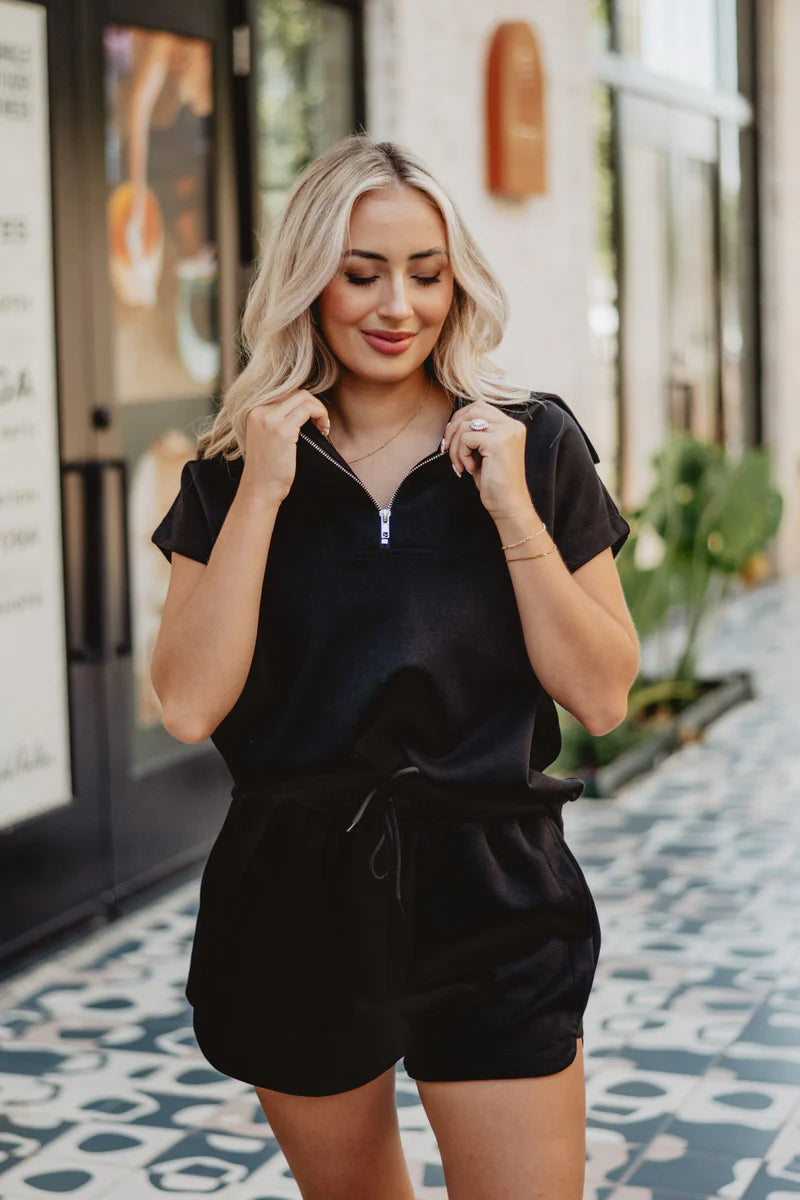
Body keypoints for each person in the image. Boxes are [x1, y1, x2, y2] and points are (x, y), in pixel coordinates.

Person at [149, 133, 639, 1200]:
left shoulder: (531, 444)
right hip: (293, 894)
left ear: (455, 282)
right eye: (361, 273)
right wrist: (265, 491)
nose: (396, 306)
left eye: (425, 273)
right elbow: (187, 703)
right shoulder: (232, 475)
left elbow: (601, 689)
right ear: (307, 282)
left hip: (491, 886)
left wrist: (509, 507)